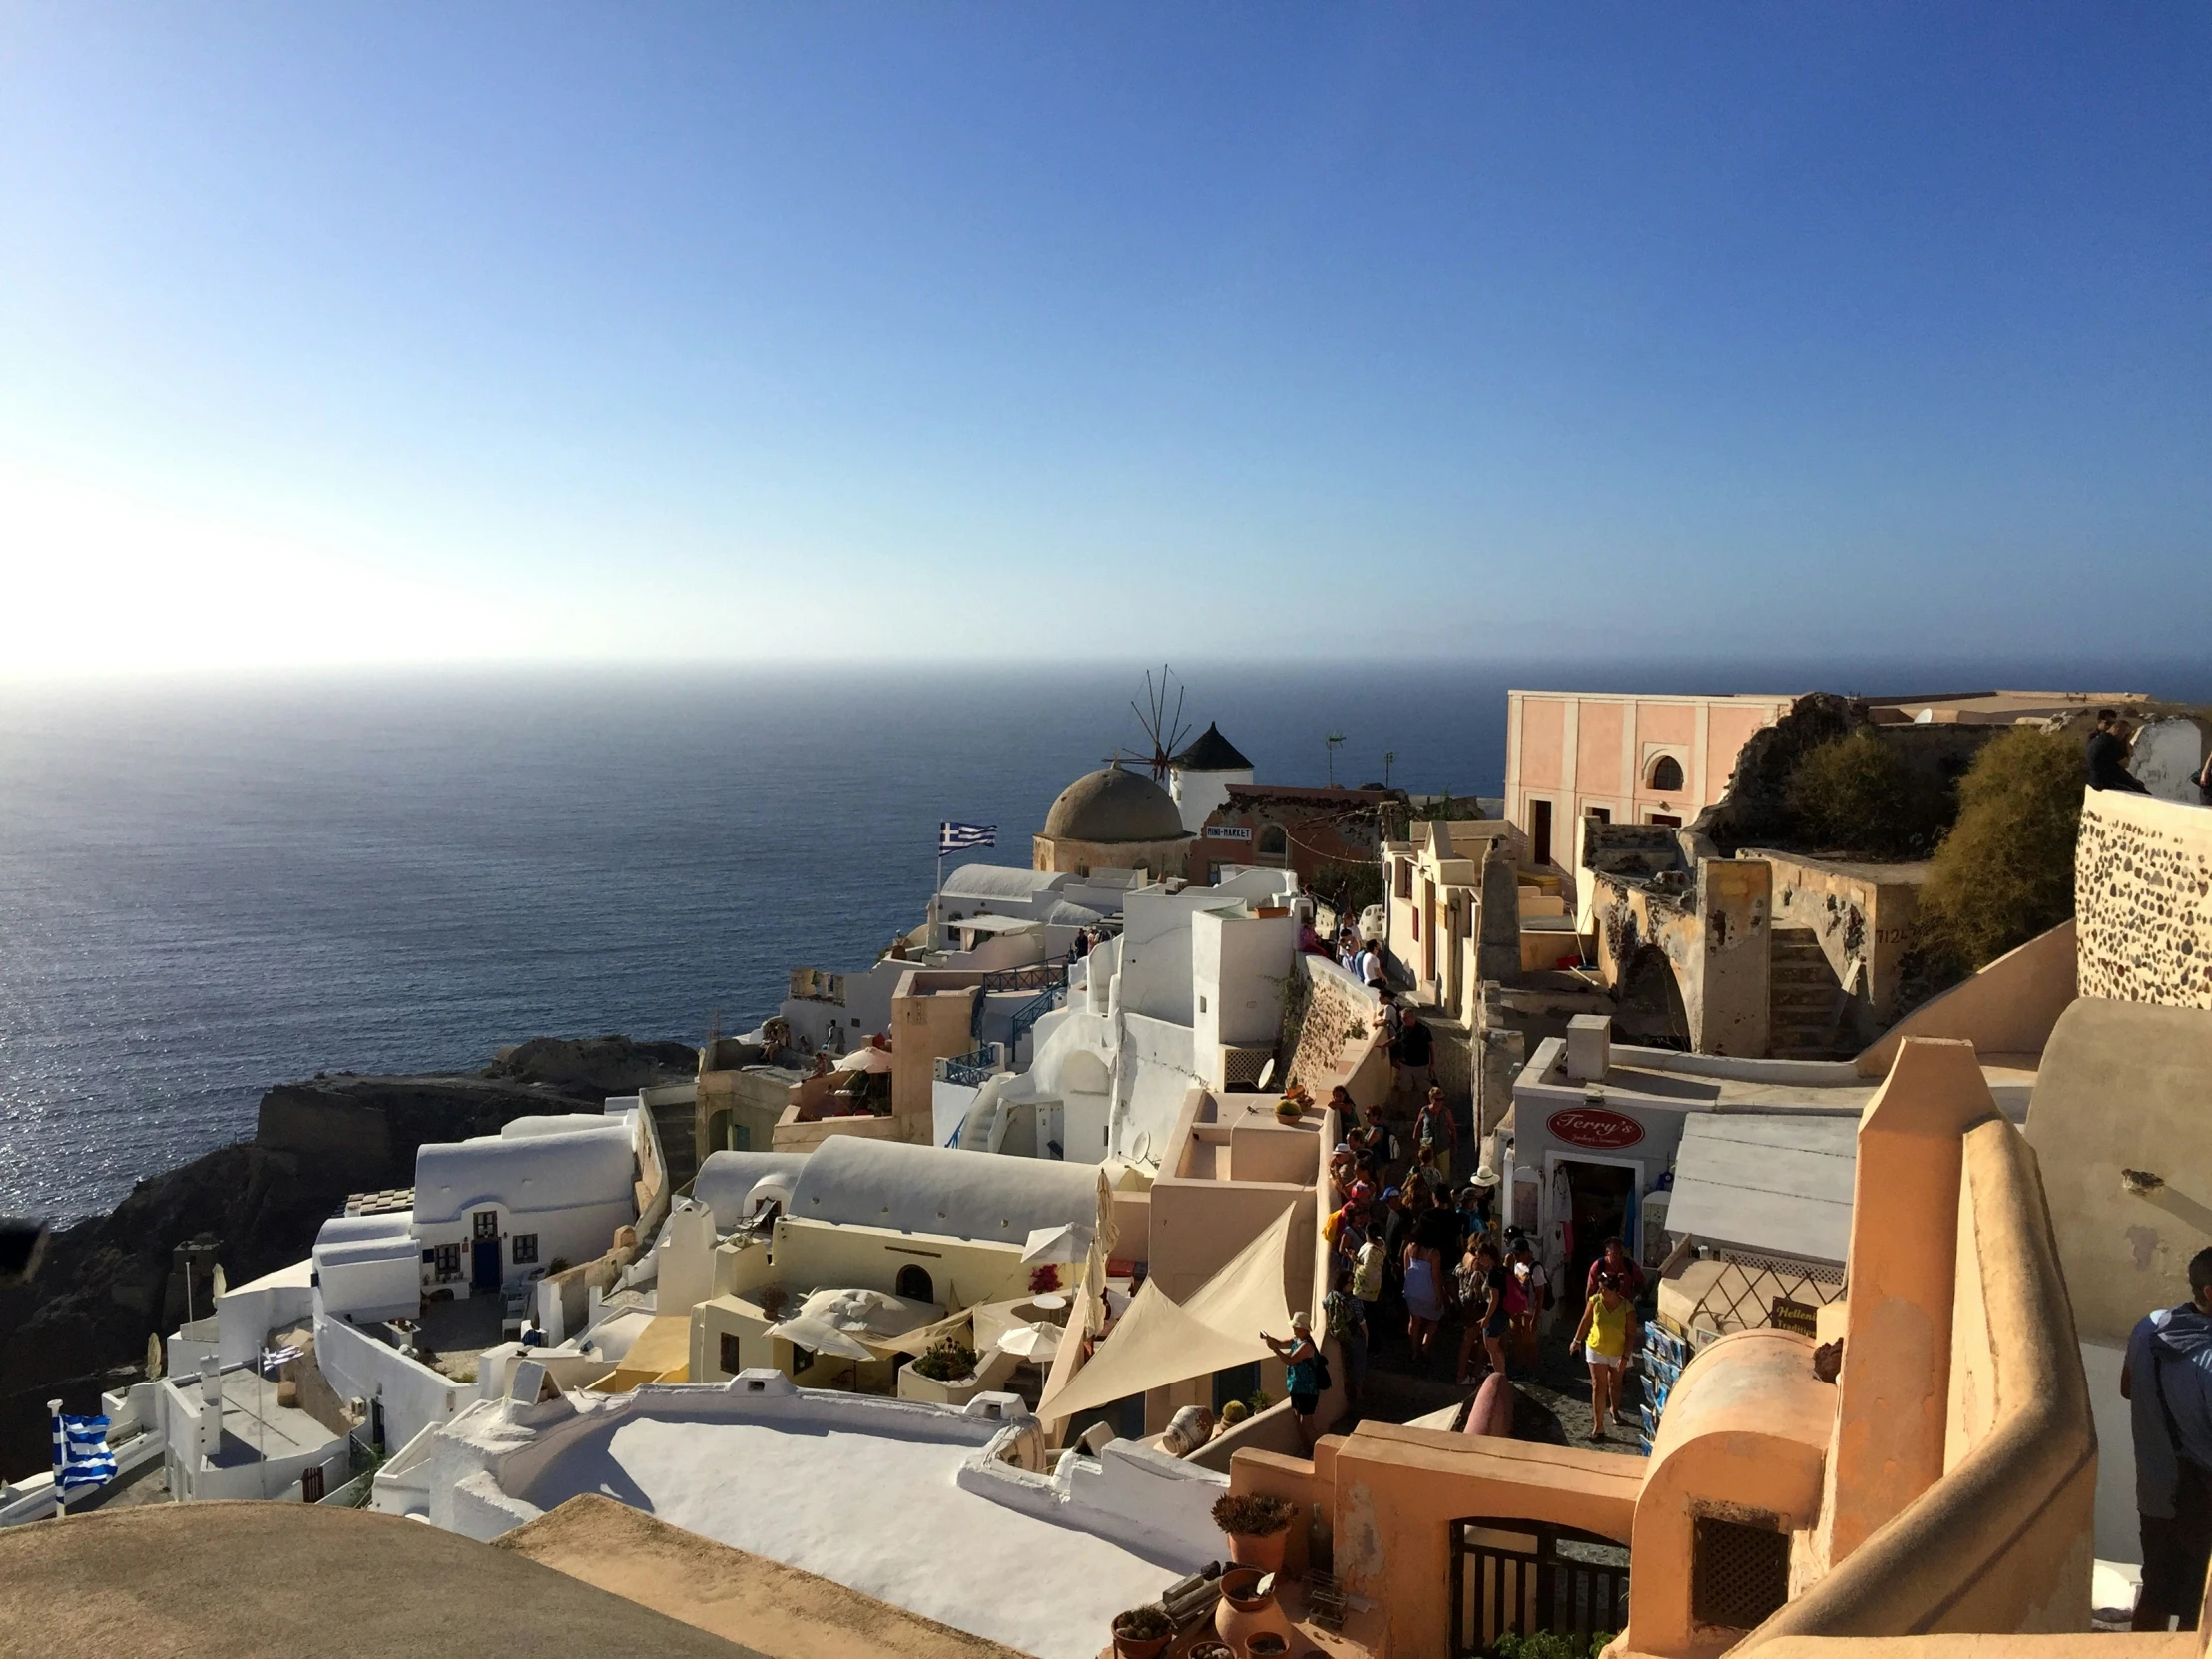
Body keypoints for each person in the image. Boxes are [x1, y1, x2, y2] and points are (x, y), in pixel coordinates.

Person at [2124, 1247, 2212, 1630]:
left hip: (2156, 1494)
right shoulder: (2206, 1360)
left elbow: (2128, 1386)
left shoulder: (2149, 1325)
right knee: (2201, 1613)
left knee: (2157, 1595)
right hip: (2200, 1502)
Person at [1572, 1272, 1641, 1441]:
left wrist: (1625, 1357)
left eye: (1605, 1290)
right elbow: (1586, 1320)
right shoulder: (1595, 1301)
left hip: (1618, 1352)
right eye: (1600, 1288)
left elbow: (1631, 1334)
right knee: (1598, 1386)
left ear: (1616, 1290)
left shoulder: (1627, 1308)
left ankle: (1614, 1409)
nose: (1601, 1292)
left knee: (1615, 1384)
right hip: (1596, 1348)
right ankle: (1598, 1426)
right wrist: (1577, 1340)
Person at [1264, 1312, 1326, 1451]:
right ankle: (1308, 1449)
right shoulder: (1296, 1340)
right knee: (1298, 1419)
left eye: (1297, 1327)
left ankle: (1318, 1453)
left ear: (1304, 1328)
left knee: (1307, 1423)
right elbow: (1280, 1342)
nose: (1294, 1329)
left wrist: (1275, 1349)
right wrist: (1271, 1339)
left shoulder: (1306, 1346)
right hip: (1297, 1387)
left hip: (1307, 1389)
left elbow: (1290, 1359)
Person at [1456, 1238, 1507, 1386]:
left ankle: (1494, 1376)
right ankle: (1495, 1376)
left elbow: (1493, 1298)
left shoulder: (1471, 1259)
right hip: (1485, 1310)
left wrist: (1487, 1317)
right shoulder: (1494, 1270)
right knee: (1492, 1347)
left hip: (1478, 1307)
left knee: (1489, 1346)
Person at [1402, 1211, 1448, 1365]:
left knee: (1414, 1320)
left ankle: (1414, 1350)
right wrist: (1440, 1295)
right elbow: (1436, 1278)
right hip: (1428, 1290)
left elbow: (1406, 1270)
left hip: (1411, 1289)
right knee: (1434, 1319)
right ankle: (1425, 1346)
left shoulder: (1410, 1247)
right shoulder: (1434, 1253)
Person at [1323, 1264, 1369, 1411]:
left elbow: (1324, 1306)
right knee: (1358, 1362)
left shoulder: (1331, 1296)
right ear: (1343, 1283)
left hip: (1340, 1335)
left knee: (1346, 1364)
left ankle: (1348, 1391)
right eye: (1350, 1282)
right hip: (1354, 1335)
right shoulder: (1353, 1300)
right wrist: (1366, 1335)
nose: (1353, 1284)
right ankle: (1359, 1392)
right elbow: (1361, 1320)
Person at [2088, 708, 2152, 794]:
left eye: (2113, 723)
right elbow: (2125, 762)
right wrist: (2126, 740)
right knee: (2140, 792)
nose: (2110, 726)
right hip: (2104, 780)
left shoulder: (2102, 738)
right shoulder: (2107, 740)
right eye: (2108, 723)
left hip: (2102, 778)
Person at [1414, 1084, 1457, 1182]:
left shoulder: (1446, 1111)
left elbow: (1453, 1128)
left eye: (1442, 1099)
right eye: (1437, 1099)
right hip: (1428, 1147)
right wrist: (1416, 1144)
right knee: (1427, 1174)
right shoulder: (1425, 1110)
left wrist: (1455, 1143)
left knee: (1444, 1175)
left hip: (1443, 1146)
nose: (1440, 1102)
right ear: (1431, 1099)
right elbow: (1418, 1126)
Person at [1585, 1236, 1646, 1301]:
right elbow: (1591, 1289)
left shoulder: (1629, 1264)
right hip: (1603, 1306)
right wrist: (1589, 1308)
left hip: (1624, 1306)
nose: (1618, 1257)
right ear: (1607, 1252)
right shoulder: (1598, 1265)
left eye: (1620, 1253)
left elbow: (1641, 1281)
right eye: (1615, 1253)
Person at [1395, 1008, 1435, 1104]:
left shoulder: (1423, 1030)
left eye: (1405, 1019)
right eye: (1402, 1019)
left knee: (1425, 1087)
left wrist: (1433, 1062)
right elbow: (1396, 1038)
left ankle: (1433, 1106)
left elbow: (1432, 1046)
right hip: (1406, 1065)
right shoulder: (1404, 1028)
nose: (1403, 1021)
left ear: (1413, 1018)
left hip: (1421, 1065)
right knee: (1403, 1088)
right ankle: (1401, 1110)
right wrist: (1385, 1045)